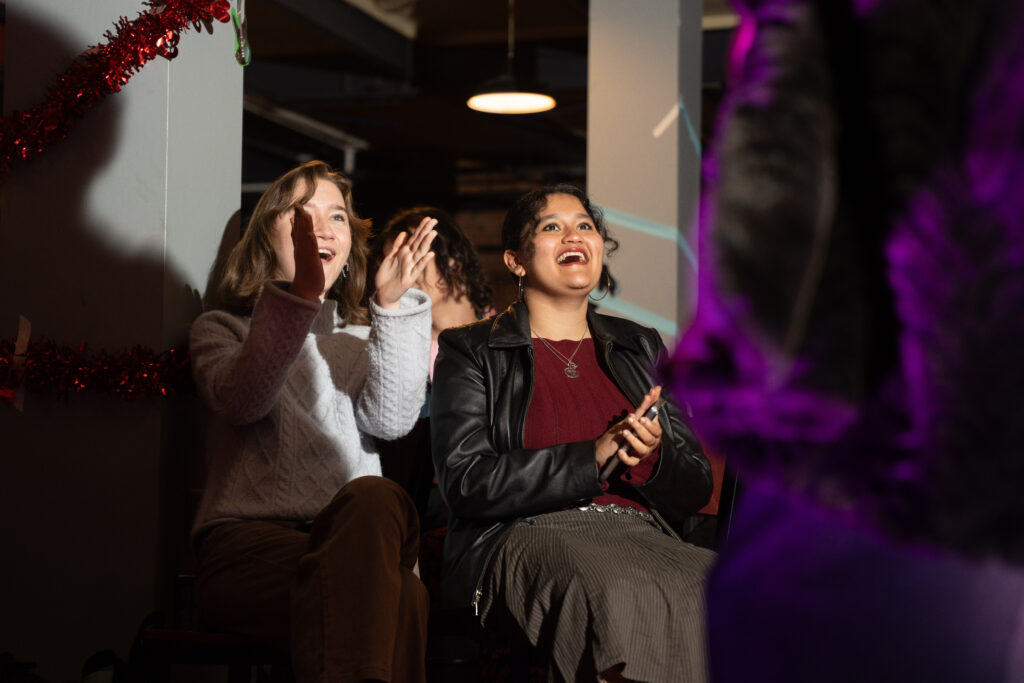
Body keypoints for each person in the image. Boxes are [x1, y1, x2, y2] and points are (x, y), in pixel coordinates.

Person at [430, 184, 715, 683]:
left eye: (585, 225)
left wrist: (646, 457)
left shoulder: (639, 345)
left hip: (640, 535)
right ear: (516, 261)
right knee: (610, 588)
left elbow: (694, 485)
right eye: (551, 226)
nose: (574, 235)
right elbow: (466, 480)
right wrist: (592, 457)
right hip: (524, 534)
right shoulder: (472, 349)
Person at [188, 160, 438, 683]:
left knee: (376, 505)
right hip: (247, 551)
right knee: (398, 592)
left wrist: (391, 309)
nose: (324, 229)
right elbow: (245, 401)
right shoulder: (220, 329)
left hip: (355, 540)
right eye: (303, 215)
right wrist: (300, 295)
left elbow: (392, 423)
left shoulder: (360, 340)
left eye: (339, 217)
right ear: (264, 239)